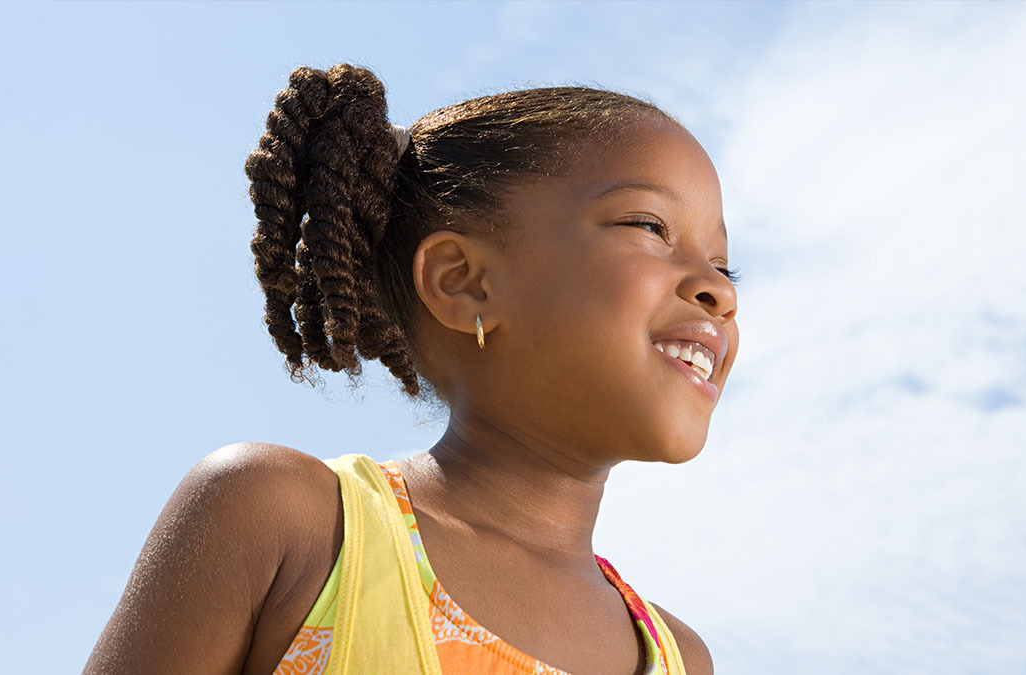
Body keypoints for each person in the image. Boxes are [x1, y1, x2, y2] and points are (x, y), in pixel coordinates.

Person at [84, 63, 738, 675]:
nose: (719, 289)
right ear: (463, 281)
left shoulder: (678, 656)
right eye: (650, 225)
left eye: (724, 264)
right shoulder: (293, 526)